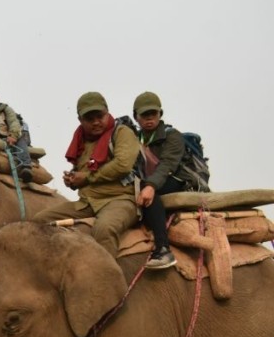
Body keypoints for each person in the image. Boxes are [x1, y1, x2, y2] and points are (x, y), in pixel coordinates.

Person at [33, 92, 141, 258]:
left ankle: (107, 282)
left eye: (100, 116)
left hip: (121, 199)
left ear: (107, 112)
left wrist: (87, 177)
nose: (96, 122)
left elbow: (123, 165)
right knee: (37, 222)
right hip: (88, 202)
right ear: (80, 120)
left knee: (104, 230)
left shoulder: (122, 132)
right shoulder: (81, 140)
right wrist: (73, 181)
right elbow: (84, 173)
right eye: (90, 119)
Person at [133, 91, 184, 269]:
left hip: (175, 179)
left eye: (153, 114)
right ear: (136, 117)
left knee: (150, 198)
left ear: (160, 114)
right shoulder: (133, 138)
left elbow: (167, 165)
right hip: (146, 182)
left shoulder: (172, 136)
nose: (149, 118)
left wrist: (151, 186)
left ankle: (163, 249)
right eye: (144, 115)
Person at [0, 91, 33, 182]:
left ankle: (25, 166)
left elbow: (14, 123)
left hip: (12, 135)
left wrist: (13, 135)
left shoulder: (5, 109)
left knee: (20, 139)